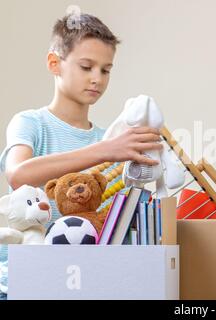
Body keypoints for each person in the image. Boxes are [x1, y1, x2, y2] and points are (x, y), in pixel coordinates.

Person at [0, 13, 162, 299]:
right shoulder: (30, 122)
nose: (96, 79)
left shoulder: (110, 142)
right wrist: (105, 149)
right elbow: (18, 174)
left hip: (85, 277)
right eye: (86, 66)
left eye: (106, 70)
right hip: (27, 274)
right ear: (54, 64)